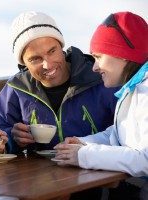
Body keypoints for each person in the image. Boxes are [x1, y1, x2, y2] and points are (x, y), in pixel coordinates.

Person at [0, 11, 119, 154]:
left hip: (100, 170)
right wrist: (11, 137)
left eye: (52, 51)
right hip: (40, 175)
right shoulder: (16, 89)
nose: (48, 65)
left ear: (61, 46)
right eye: (35, 59)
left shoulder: (100, 79)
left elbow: (125, 132)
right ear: (24, 64)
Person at [54, 11, 148, 199]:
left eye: (98, 57)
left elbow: (145, 159)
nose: (95, 67)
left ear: (122, 54)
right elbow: (119, 133)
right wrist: (84, 142)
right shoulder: (133, 88)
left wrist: (84, 156)